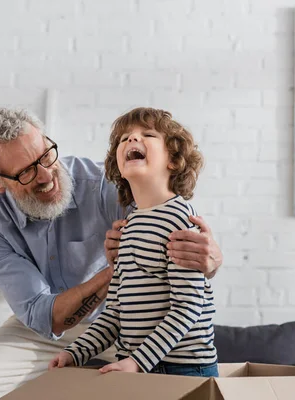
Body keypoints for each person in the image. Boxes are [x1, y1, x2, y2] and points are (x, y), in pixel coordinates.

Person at [0, 108, 223, 399]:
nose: (45, 176)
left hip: (135, 321)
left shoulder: (108, 186)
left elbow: (182, 265)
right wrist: (118, 270)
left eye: (45, 156)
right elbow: (43, 316)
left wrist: (210, 258)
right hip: (49, 327)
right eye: (26, 172)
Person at [49, 107, 218, 377]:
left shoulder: (181, 221)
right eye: (123, 138)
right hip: (137, 366)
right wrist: (75, 352)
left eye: (147, 134)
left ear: (173, 160)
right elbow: (115, 312)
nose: (131, 140)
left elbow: (188, 307)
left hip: (183, 369)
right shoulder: (128, 228)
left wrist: (137, 361)